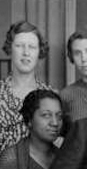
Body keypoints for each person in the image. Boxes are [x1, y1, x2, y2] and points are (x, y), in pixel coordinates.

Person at [0, 21, 51, 152]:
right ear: (10, 49)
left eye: (32, 47)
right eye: (19, 46)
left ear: (39, 51)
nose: (26, 52)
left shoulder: (49, 97)